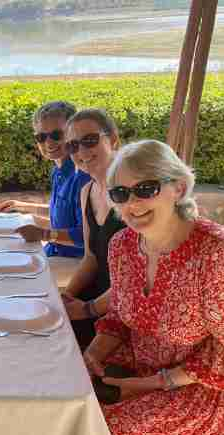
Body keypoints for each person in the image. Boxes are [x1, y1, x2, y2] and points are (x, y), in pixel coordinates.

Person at [84, 140, 224, 435]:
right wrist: (94, 355)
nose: (132, 203)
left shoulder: (218, 253)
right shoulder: (122, 245)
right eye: (120, 193)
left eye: (146, 188)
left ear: (178, 189)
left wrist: (149, 385)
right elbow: (119, 315)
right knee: (66, 409)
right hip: (136, 370)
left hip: (203, 389)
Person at [60, 109, 126, 350]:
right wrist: (66, 297)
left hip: (123, 304)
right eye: (73, 145)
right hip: (97, 294)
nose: (82, 151)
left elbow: (138, 280)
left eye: (90, 140)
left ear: (113, 139)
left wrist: (87, 310)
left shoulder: (131, 194)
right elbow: (91, 258)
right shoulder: (86, 191)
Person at [0, 101, 90, 258]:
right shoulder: (58, 171)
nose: (48, 142)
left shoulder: (82, 176)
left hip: (74, 261)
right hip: (55, 251)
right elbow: (63, 215)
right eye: (41, 137)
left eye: (56, 135)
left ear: (73, 134)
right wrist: (24, 206)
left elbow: (86, 236)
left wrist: (44, 234)